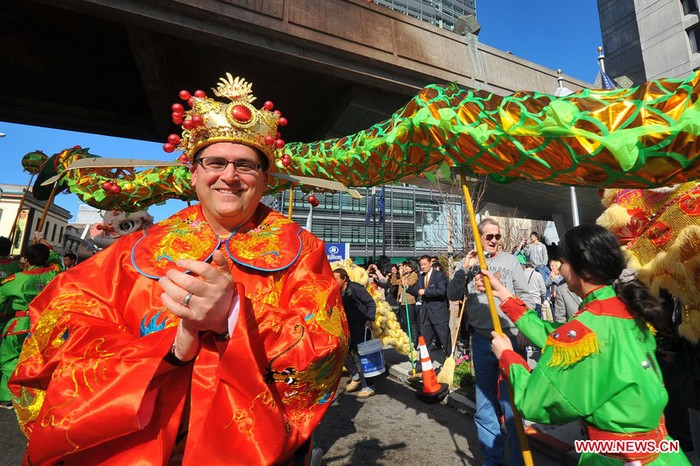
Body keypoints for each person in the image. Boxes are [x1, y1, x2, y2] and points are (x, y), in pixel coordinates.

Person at [9, 73, 348, 465]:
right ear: (193, 172)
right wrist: (170, 350)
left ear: (266, 179)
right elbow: (60, 324)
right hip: (139, 438)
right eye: (215, 162)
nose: (230, 176)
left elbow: (326, 348)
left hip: (244, 442)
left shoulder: (303, 250)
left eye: (246, 165)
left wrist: (232, 319)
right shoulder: (135, 250)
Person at [487, 224, 690, 466]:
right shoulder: (626, 309)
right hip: (664, 454)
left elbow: (536, 402)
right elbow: (560, 340)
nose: (559, 269)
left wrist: (509, 357)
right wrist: (505, 297)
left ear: (581, 267)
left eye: (562, 261)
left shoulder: (590, 324)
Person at [446, 218, 534, 466]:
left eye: (497, 237)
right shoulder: (467, 265)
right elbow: (452, 295)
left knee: (513, 404)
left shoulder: (511, 262)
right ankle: (492, 460)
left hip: (510, 338)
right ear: (479, 237)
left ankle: (519, 460)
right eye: (489, 236)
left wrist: (524, 327)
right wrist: (464, 268)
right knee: (485, 405)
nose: (494, 240)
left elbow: (526, 296)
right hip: (482, 339)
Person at [0, 243, 58, 409]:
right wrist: (44, 242)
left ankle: (6, 396)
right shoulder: (54, 274)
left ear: (26, 259)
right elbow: (54, 260)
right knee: (38, 360)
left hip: (21, 323)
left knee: (10, 359)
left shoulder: (17, 279)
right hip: (45, 324)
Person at [333, 268, 377, 399]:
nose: (334, 282)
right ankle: (356, 375)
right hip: (348, 328)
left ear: (344, 279)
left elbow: (370, 303)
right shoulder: (337, 292)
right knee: (342, 352)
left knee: (360, 357)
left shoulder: (356, 288)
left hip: (361, 326)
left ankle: (368, 387)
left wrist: (369, 319)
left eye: (336, 279)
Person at [408, 255, 451, 364]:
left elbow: (441, 291)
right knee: (425, 341)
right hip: (426, 314)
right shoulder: (422, 277)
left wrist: (426, 292)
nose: (422, 267)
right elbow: (418, 290)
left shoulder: (439, 275)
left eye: (424, 264)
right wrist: (407, 287)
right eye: (421, 265)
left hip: (438, 314)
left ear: (430, 264)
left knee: (444, 339)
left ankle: (450, 361)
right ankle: (421, 366)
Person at [392, 261, 419, 348]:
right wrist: (394, 274)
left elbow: (406, 284)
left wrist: (401, 275)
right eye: (405, 266)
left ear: (412, 267)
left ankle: (414, 341)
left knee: (411, 322)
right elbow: (394, 282)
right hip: (401, 301)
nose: (405, 268)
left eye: (408, 266)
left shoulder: (414, 275)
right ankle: (408, 339)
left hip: (409, 301)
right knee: (405, 323)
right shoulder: (404, 276)